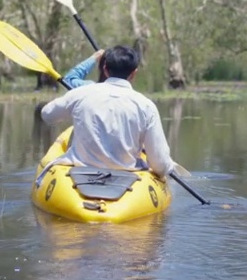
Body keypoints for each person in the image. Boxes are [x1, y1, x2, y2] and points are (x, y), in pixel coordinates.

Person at [39, 45, 176, 179]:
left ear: (105, 69)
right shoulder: (146, 106)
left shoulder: (80, 93)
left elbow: (47, 115)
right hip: (128, 175)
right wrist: (168, 167)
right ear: (134, 73)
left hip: (80, 170)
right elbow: (160, 165)